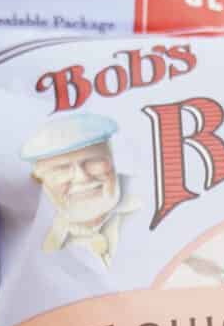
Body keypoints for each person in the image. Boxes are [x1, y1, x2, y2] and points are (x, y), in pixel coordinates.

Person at [20, 109, 140, 267]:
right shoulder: (39, 242)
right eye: (61, 168)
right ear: (39, 179)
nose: (82, 177)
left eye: (93, 160)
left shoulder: (151, 201)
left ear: (111, 158)